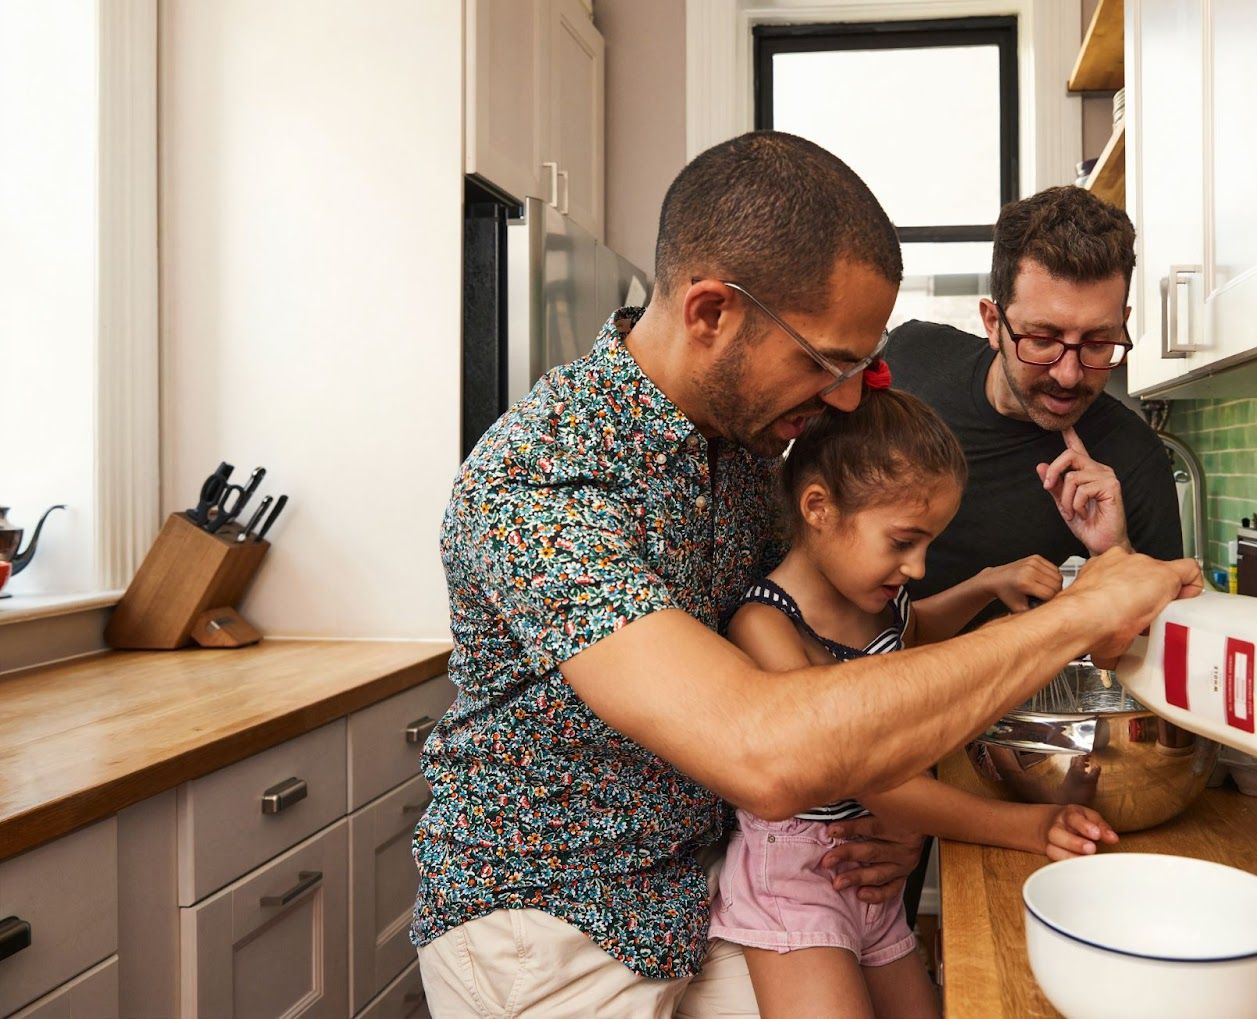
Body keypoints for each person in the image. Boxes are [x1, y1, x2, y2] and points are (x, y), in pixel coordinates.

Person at [412, 132, 1201, 1018]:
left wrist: (889, 807)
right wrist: (1077, 613)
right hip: (547, 932)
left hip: (699, 893)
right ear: (711, 313)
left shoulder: (754, 450)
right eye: (828, 363)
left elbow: (832, 669)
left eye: (861, 369)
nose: (845, 400)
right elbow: (764, 745)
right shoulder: (538, 481)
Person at [710, 373, 1118, 1019]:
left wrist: (985, 584)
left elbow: (914, 628)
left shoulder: (881, 596)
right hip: (791, 883)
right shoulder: (767, 625)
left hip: (868, 876)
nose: (919, 567)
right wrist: (1028, 827)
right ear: (818, 508)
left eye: (929, 543)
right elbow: (869, 774)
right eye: (904, 541)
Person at [883, 185, 1186, 922]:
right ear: (992, 320)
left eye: (1099, 343)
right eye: (1043, 338)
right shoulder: (909, 362)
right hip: (852, 706)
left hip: (977, 750)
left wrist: (1111, 554)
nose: (1070, 372)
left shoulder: (1134, 463)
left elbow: (1156, 681)